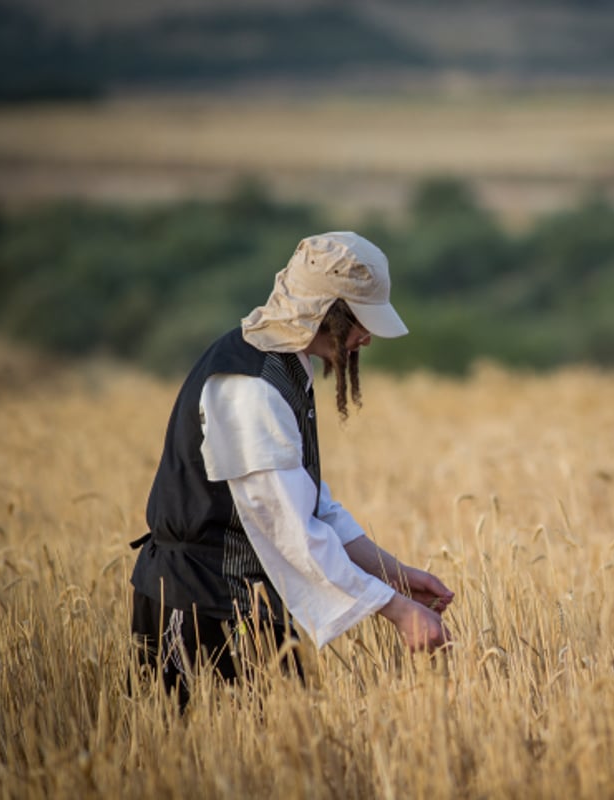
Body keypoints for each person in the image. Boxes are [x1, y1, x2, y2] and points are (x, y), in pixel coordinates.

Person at [129, 232, 454, 704]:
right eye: (362, 319)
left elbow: (312, 502)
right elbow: (289, 527)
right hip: (199, 613)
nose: (367, 337)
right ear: (327, 312)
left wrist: (395, 573)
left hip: (245, 608)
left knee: (281, 758)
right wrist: (399, 611)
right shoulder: (250, 387)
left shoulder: (283, 366)